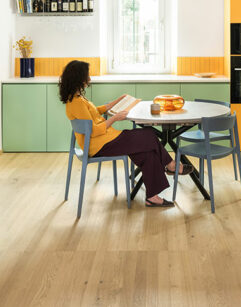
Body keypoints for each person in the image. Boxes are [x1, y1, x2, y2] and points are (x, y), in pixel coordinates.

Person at [59, 60, 193, 207]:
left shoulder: (77, 99)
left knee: (149, 153)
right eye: (87, 75)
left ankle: (152, 197)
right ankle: (172, 165)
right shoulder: (76, 102)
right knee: (149, 134)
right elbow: (92, 131)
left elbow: (95, 112)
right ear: (79, 78)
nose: (89, 79)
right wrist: (115, 118)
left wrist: (117, 101)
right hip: (99, 145)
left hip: (106, 140)